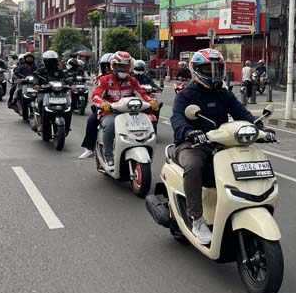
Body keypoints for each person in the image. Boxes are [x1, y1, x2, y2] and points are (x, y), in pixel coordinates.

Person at [170, 48, 275, 244]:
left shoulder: (224, 94)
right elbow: (177, 118)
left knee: (246, 159)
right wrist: (188, 132)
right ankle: (197, 219)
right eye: (208, 70)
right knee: (194, 166)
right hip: (192, 144)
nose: (213, 74)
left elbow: (242, 113)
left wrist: (260, 128)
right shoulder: (185, 95)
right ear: (195, 70)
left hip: (222, 142)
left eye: (217, 69)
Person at [90, 51, 159, 166]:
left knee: (144, 124)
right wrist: (103, 103)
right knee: (110, 125)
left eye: (126, 66)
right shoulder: (104, 80)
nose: (123, 69)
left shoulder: (132, 80)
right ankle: (108, 156)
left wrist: (150, 101)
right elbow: (95, 96)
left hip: (130, 112)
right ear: (113, 65)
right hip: (110, 112)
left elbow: (142, 93)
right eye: (120, 66)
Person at [78, 53, 114, 159]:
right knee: (92, 120)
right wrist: (103, 103)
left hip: (125, 108)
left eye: (110, 65)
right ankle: (89, 148)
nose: (107, 68)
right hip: (105, 109)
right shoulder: (101, 79)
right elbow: (96, 95)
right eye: (105, 66)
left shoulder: (129, 79)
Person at [33, 50, 70, 131]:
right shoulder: (41, 71)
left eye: (54, 61)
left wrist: (71, 84)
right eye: (50, 61)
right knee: (40, 101)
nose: (52, 63)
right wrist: (36, 85)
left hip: (59, 92)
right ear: (45, 61)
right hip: (45, 92)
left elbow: (66, 77)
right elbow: (35, 77)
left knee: (68, 104)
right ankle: (41, 123)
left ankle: (67, 125)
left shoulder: (58, 71)